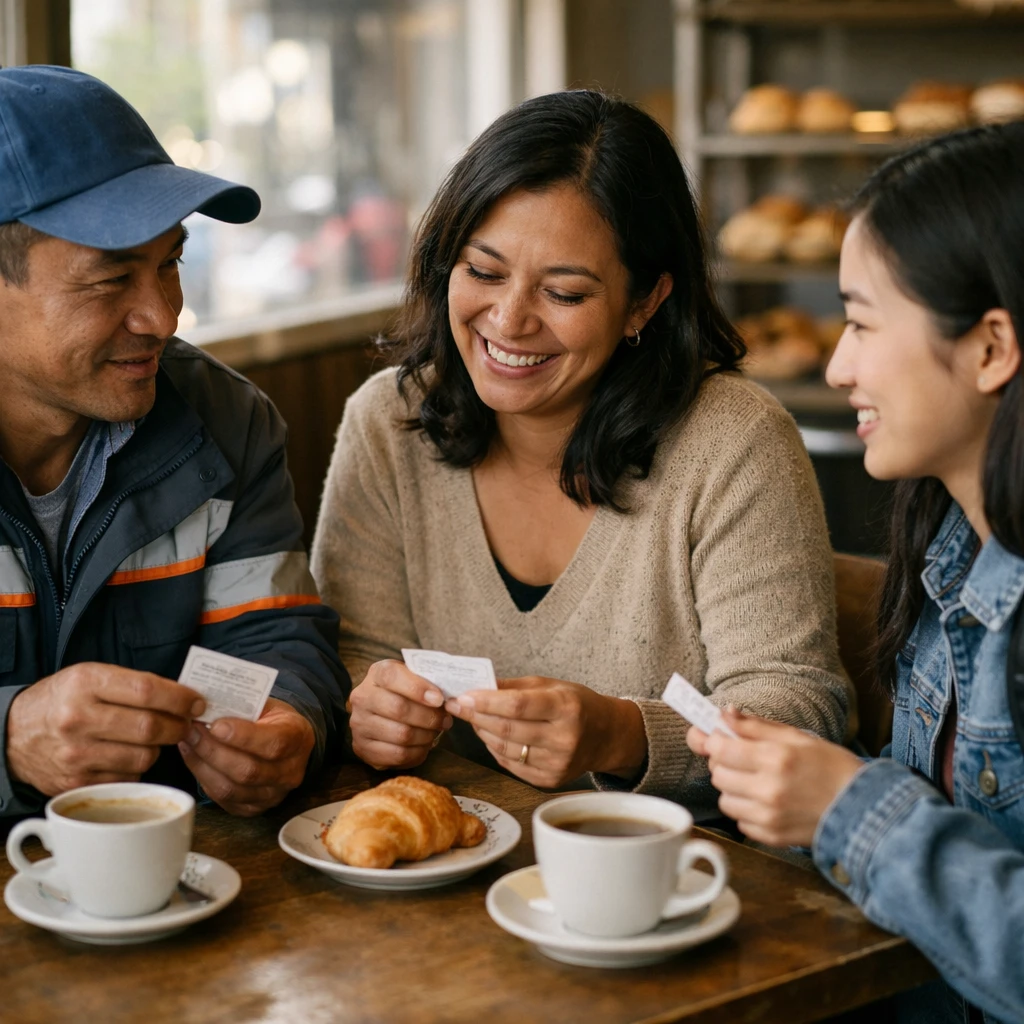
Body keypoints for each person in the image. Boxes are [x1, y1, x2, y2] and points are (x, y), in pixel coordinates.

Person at [311, 90, 849, 815]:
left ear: (644, 303)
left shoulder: (733, 440)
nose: (508, 320)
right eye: (484, 271)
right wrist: (369, 710)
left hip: (681, 875)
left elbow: (799, 713)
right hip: (455, 873)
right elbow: (353, 657)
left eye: (563, 292)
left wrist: (625, 736)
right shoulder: (389, 422)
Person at [688, 121, 1024, 1023]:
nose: (837, 366)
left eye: (863, 323)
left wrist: (846, 805)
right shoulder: (954, 551)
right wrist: (792, 785)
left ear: (992, 348)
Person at [0, 66, 349, 819]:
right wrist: (7, 738)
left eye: (170, 264)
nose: (162, 317)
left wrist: (290, 721)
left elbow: (275, 633)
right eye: (108, 280)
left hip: (183, 888)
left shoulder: (225, 421)